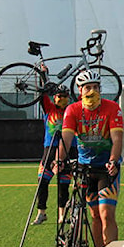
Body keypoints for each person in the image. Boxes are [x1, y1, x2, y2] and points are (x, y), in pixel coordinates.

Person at [58, 69, 124, 247]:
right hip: (85, 169)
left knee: (106, 214)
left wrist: (113, 161)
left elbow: (117, 139)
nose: (92, 91)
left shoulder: (112, 108)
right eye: (88, 87)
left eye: (95, 87)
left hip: (106, 168)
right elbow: (66, 138)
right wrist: (59, 160)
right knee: (94, 215)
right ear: (80, 90)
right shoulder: (73, 110)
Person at [32, 84, 71, 226]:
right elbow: (43, 96)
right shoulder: (49, 109)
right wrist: (43, 74)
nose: (62, 99)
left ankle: (62, 215)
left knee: (63, 184)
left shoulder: (71, 110)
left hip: (68, 149)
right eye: (59, 96)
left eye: (64, 96)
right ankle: (41, 213)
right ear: (54, 98)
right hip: (49, 149)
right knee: (42, 182)